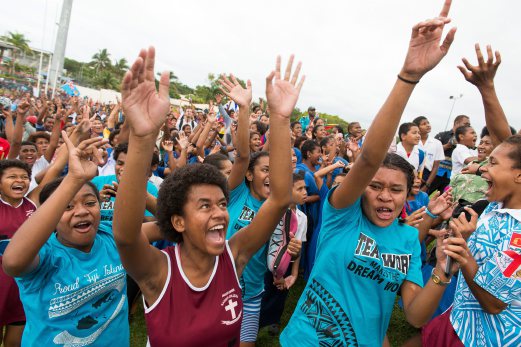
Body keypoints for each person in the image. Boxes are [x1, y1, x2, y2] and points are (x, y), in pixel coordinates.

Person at [281, 2, 469, 346]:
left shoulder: (408, 241)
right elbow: (368, 159)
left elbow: (414, 315)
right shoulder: (342, 215)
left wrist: (442, 270)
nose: (385, 196)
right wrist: (409, 77)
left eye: (396, 190)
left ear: (407, 194)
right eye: (376, 187)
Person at [112, 48, 302, 347]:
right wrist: (142, 137)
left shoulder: (233, 256)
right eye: (205, 205)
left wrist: (280, 118)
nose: (220, 213)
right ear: (178, 221)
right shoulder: (158, 270)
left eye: (222, 204)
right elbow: (125, 237)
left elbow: (279, 198)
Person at [423, 43, 521, 347]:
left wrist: (462, 251)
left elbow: (494, 304)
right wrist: (487, 89)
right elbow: (509, 143)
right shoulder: (498, 203)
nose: (482, 168)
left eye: (491, 163)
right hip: (459, 319)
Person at [2, 136, 132, 346]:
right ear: (51, 218)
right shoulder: (46, 255)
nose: (81, 211)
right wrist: (73, 179)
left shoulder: (110, 235)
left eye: (90, 203)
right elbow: (13, 262)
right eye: (67, 207)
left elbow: (166, 228)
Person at [434, 115, 471, 191]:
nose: (467, 127)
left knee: (445, 198)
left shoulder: (466, 140)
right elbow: (432, 150)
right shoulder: (442, 135)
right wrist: (447, 145)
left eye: (469, 125)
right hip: (435, 173)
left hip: (451, 177)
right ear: (457, 123)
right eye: (465, 124)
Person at [413, 116, 445, 193]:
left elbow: (435, 167)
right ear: (417, 127)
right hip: (411, 173)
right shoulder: (412, 141)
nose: (428, 125)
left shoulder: (437, 143)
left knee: (420, 201)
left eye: (428, 123)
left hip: (426, 176)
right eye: (424, 124)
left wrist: (427, 185)